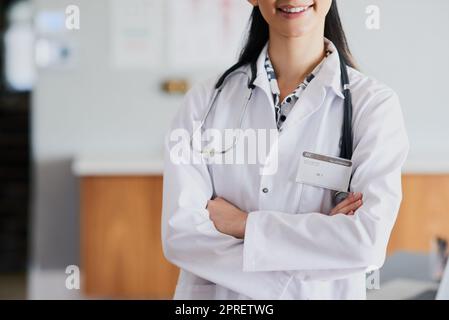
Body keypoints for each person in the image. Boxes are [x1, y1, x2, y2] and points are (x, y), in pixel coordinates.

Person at [161, 0, 409, 300]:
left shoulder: (373, 105)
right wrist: (313, 257)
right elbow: (182, 236)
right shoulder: (205, 101)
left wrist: (244, 224)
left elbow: (365, 243)